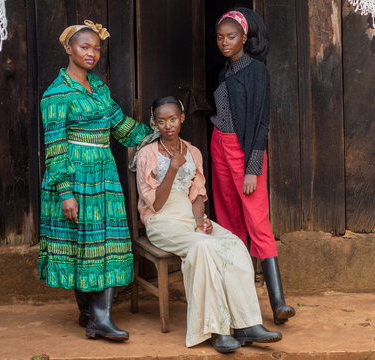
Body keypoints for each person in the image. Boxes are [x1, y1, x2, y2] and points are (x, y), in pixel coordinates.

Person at [131, 96, 282, 353]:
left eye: (172, 119)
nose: (167, 125)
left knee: (233, 244)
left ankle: (247, 325)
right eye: (161, 121)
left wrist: (201, 220)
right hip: (162, 221)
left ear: (182, 118)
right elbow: (154, 205)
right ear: (154, 123)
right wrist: (172, 170)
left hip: (190, 218)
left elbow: (198, 195)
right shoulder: (147, 154)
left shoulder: (193, 152)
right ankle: (217, 330)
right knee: (203, 248)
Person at [39, 20, 151, 341]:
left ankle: (94, 316)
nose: (92, 53)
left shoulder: (99, 88)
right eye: (84, 46)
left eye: (96, 48)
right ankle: (94, 317)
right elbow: (55, 148)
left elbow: (121, 125)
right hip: (75, 178)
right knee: (82, 245)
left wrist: (157, 135)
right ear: (68, 49)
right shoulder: (56, 94)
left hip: (103, 175)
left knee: (105, 243)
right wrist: (65, 192)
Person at [211, 8, 295, 325]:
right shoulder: (224, 74)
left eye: (231, 36)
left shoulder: (256, 71)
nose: (224, 42)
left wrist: (252, 167)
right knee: (230, 221)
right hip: (219, 145)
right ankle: (241, 301)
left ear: (245, 37)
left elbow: (260, 124)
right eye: (220, 37)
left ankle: (278, 303)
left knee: (257, 220)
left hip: (243, 153)